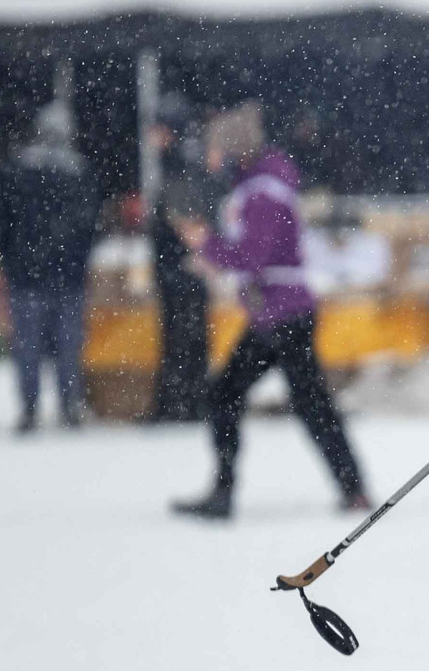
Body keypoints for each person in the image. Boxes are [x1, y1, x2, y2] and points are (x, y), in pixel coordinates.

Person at [170, 102, 368, 519]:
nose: (211, 155)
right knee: (309, 403)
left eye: (216, 147)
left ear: (234, 148)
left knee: (227, 394)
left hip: (281, 315)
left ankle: (224, 493)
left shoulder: (261, 192)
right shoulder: (262, 184)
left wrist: (205, 243)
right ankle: (353, 488)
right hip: (282, 312)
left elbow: (251, 256)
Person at [0, 102, 101, 429]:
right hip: (66, 275)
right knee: (67, 347)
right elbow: (89, 227)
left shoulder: (17, 171)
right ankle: (68, 405)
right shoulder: (79, 173)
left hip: (29, 276)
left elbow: (2, 227)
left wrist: (11, 264)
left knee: (29, 347)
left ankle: (30, 408)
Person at [146, 96, 218, 423]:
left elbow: (185, 218)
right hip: (186, 265)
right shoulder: (188, 159)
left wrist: (181, 253)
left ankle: (180, 405)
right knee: (190, 336)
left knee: (182, 338)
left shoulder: (180, 163)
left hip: (182, 266)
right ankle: (190, 402)